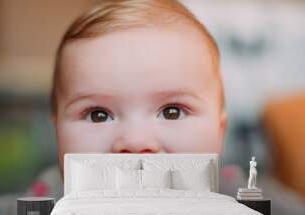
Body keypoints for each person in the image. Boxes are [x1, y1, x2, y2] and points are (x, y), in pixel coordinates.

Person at [49, 0, 227, 179]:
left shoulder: (241, 200)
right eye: (98, 115)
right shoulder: (43, 203)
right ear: (57, 134)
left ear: (219, 133)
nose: (135, 142)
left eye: (172, 112)